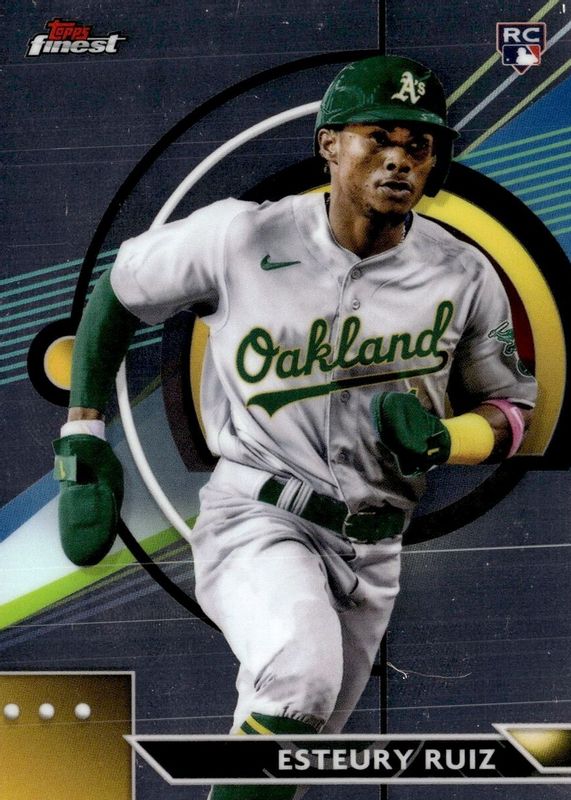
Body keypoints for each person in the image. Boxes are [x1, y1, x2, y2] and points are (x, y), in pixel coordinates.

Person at [53, 55, 537, 799]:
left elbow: (511, 413)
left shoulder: (462, 272)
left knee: (291, 751)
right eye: (379, 138)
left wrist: (449, 439)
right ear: (329, 145)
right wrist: (83, 433)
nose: (400, 159)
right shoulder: (240, 236)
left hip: (375, 549)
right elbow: (120, 290)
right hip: (259, 515)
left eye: (418, 144)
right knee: (300, 678)